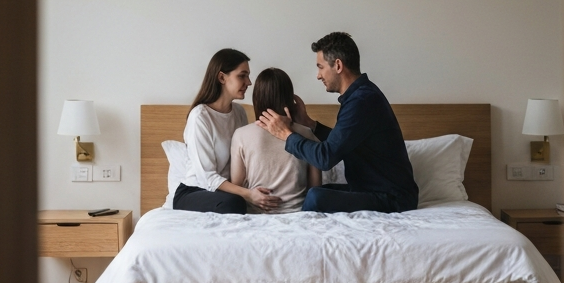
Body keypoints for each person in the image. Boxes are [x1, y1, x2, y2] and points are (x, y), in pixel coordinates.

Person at [257, 31, 419, 214]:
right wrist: (309, 123)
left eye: (320, 67)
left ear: (338, 65)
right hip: (370, 190)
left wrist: (285, 134)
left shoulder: (362, 101)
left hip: (393, 198)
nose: (318, 75)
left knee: (316, 197)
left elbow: (325, 158)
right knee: (315, 192)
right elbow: (341, 142)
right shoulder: (361, 96)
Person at [174, 48, 283, 214]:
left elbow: (245, 158)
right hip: (195, 191)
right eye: (242, 75)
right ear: (221, 77)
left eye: (248, 76)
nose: (249, 82)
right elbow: (207, 177)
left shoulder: (239, 113)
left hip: (228, 192)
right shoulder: (200, 117)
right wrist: (248, 195)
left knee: (244, 202)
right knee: (235, 204)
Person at [230, 68, 322, 213]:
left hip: (256, 216)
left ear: (257, 98)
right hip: (297, 215)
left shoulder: (241, 135)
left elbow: (236, 187)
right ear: (290, 98)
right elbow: (315, 188)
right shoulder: (308, 134)